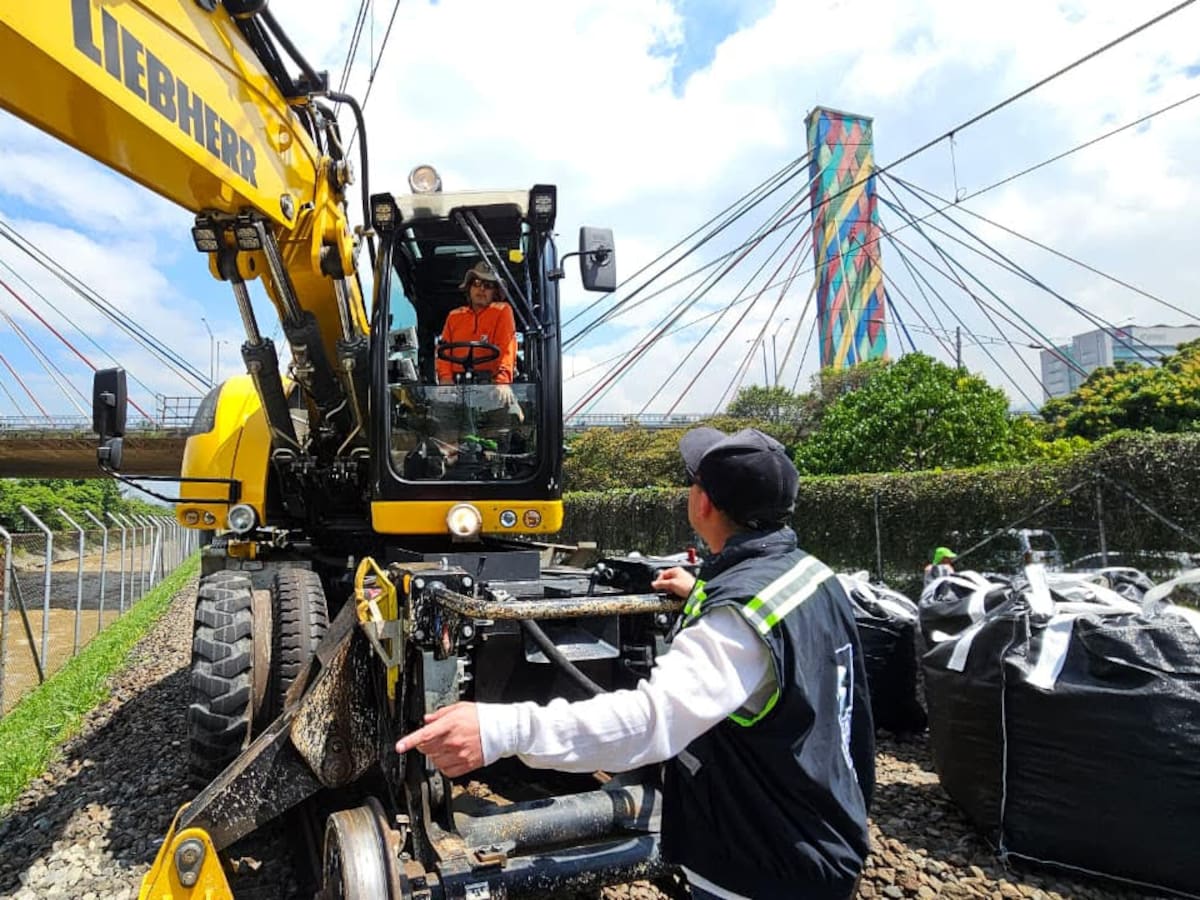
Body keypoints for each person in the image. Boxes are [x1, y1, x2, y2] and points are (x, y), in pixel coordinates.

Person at [397, 427, 875, 900]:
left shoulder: (737, 621)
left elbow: (650, 724)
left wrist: (500, 730)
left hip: (764, 865)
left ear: (703, 503)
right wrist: (704, 593)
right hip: (819, 827)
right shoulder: (810, 577)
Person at [436, 262, 518, 392]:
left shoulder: (502, 311)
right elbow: (443, 351)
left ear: (495, 292)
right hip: (455, 388)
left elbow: (506, 349)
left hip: (492, 387)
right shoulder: (454, 316)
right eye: (477, 283)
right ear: (469, 288)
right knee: (435, 411)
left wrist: (503, 383)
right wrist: (445, 380)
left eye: (488, 285)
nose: (481, 289)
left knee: (512, 412)